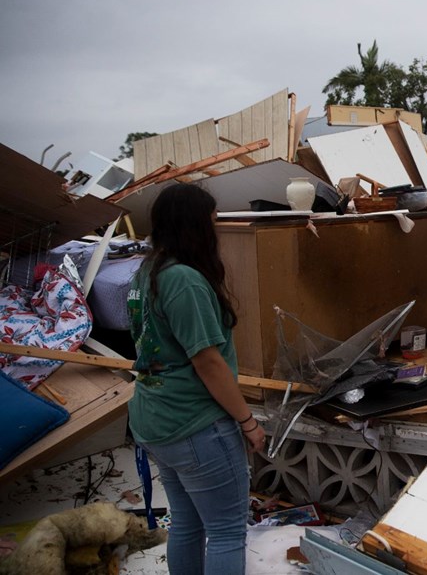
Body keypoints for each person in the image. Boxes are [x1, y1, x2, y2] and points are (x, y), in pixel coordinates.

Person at [128, 183, 264, 574]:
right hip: (195, 425)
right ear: (194, 226)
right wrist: (247, 420)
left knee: (187, 523)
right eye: (212, 221)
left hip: (157, 419)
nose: (215, 229)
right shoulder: (183, 279)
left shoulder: (147, 271)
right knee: (225, 530)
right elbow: (207, 362)